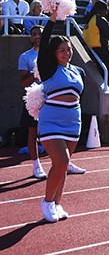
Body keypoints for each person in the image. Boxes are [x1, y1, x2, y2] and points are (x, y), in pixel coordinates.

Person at [36, 9, 86, 222]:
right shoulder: (47, 68)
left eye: (69, 49)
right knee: (62, 160)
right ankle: (46, 202)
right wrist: (52, 19)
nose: (66, 53)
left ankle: (57, 203)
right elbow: (45, 42)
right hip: (51, 120)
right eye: (62, 50)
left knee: (63, 165)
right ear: (54, 53)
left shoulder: (78, 71)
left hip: (73, 121)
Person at [18, 25, 47, 179]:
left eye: (40, 34)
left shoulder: (51, 54)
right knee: (32, 131)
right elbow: (23, 82)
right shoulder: (25, 57)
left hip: (51, 96)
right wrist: (35, 73)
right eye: (34, 34)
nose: (37, 37)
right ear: (31, 37)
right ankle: (36, 165)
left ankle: (64, 162)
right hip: (34, 98)